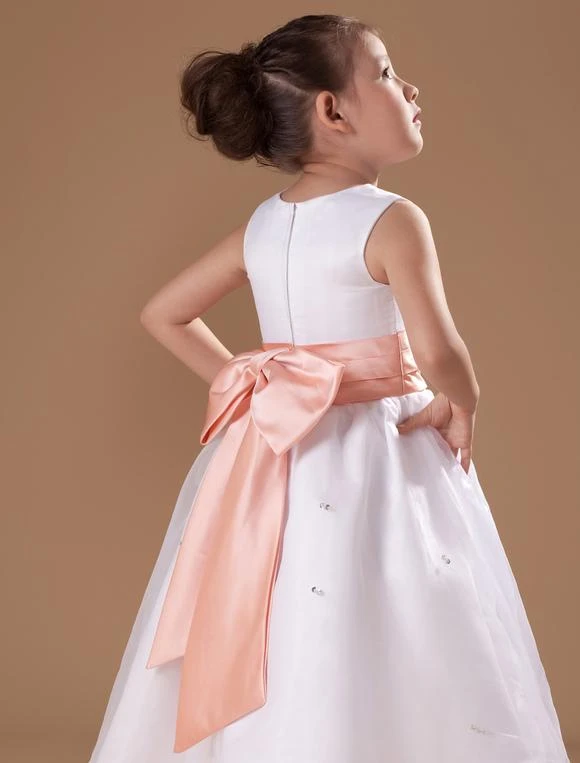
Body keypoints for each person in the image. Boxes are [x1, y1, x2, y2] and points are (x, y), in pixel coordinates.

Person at [87, 13, 570, 763]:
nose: (411, 87)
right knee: (391, 606)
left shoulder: (262, 225)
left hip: (275, 454)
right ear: (333, 111)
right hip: (381, 444)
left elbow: (165, 313)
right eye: (386, 73)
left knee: (276, 606)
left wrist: (258, 388)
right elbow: (439, 349)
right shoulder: (392, 219)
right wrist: (463, 399)